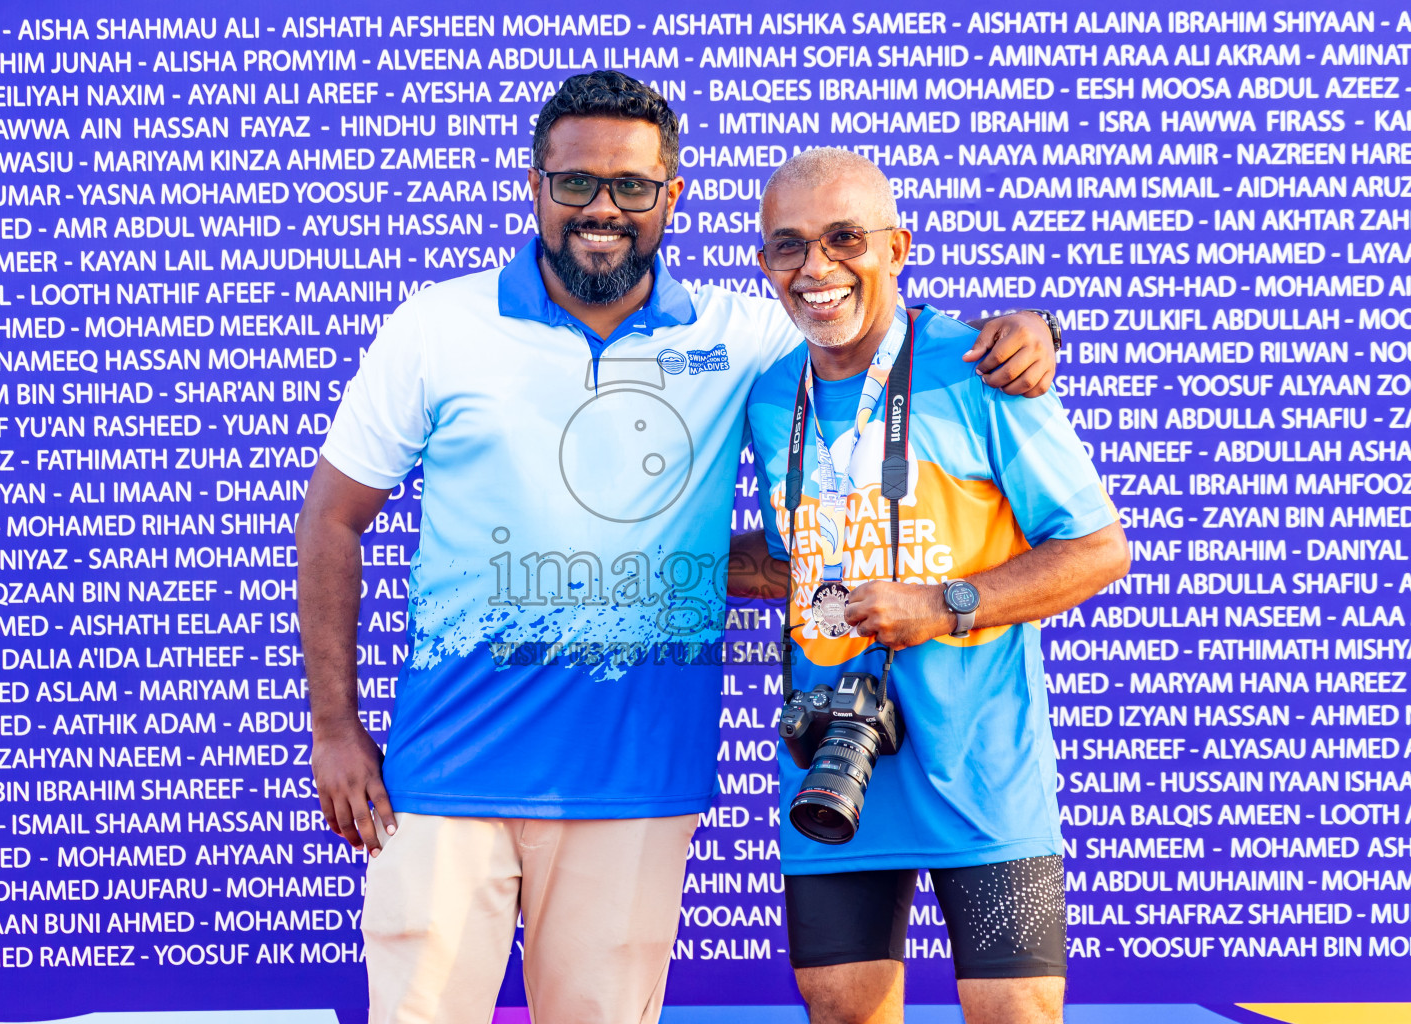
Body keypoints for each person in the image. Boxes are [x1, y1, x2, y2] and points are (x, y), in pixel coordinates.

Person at [296, 72, 1061, 1024]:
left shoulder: (742, 336)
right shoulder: (436, 327)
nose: (602, 208)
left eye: (631, 185)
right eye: (575, 183)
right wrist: (334, 728)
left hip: (638, 783)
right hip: (446, 772)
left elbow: (871, 330)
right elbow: (331, 518)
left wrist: (1029, 331)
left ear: (673, 196)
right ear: (535, 186)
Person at [733, 148, 1130, 1024]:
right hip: (839, 769)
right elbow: (795, 553)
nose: (817, 268)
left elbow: (1100, 549)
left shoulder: (982, 367)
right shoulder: (768, 394)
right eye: (789, 246)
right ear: (765, 264)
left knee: (1015, 1012)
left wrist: (942, 604)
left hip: (984, 773)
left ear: (897, 246)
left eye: (845, 239)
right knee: (840, 1008)